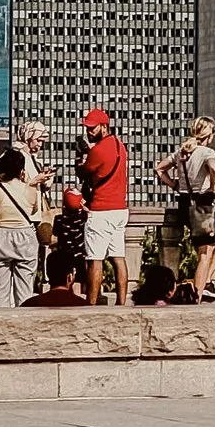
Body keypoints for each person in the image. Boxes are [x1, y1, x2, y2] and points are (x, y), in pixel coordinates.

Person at [156, 116, 215, 302]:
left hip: (185, 203)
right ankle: (197, 294)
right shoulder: (207, 152)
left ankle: (206, 278)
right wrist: (214, 185)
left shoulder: (182, 152)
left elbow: (159, 169)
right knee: (204, 253)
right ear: (211, 134)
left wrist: (175, 185)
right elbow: (214, 168)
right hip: (203, 204)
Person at [78, 108, 130, 305]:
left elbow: (85, 173)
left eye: (92, 128)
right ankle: (122, 302)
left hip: (101, 209)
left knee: (95, 258)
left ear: (104, 126)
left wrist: (80, 163)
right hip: (120, 208)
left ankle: (91, 303)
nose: (89, 132)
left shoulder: (98, 150)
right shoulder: (120, 146)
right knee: (118, 256)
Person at [0, 147, 41, 308]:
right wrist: (27, 181)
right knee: (25, 289)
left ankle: (0, 322)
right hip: (25, 236)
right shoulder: (31, 191)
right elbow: (34, 212)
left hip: (1, 235)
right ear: (21, 170)